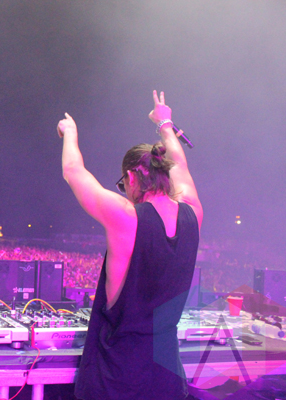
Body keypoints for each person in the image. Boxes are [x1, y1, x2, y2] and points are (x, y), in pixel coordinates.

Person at [57, 91, 203, 400]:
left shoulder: (127, 218)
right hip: (167, 378)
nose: (125, 191)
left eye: (123, 185)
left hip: (117, 378)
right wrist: (164, 122)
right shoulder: (194, 211)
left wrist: (69, 132)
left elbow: (73, 172)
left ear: (131, 177)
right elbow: (180, 164)